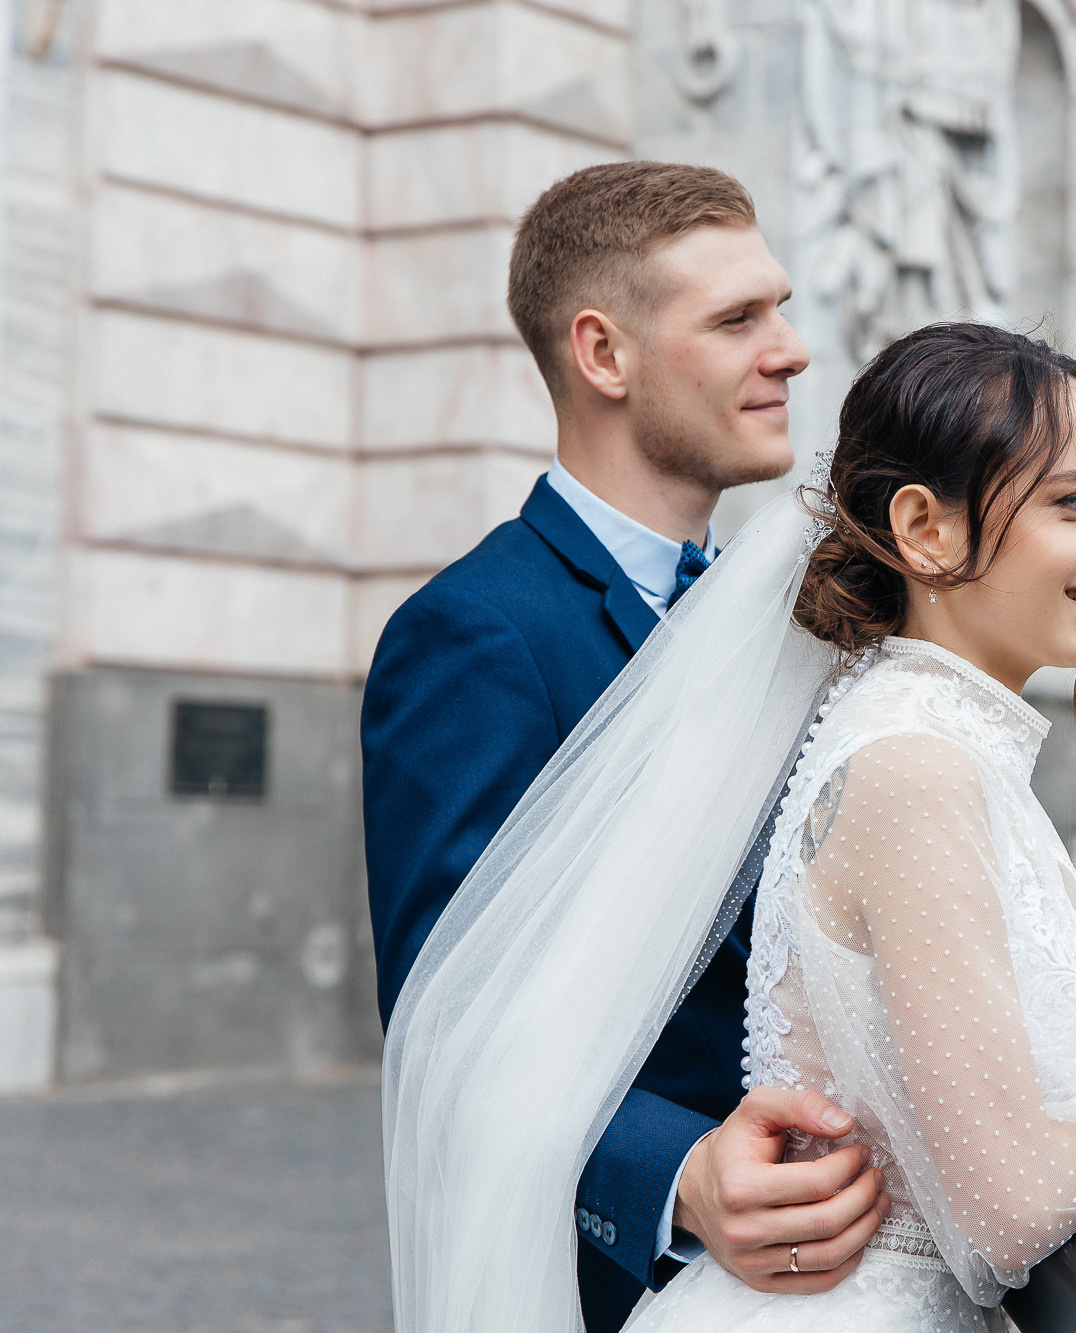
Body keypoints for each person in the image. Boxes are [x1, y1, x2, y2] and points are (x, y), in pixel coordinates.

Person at [380, 321, 1076, 1333]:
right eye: (1071, 502)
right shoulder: (915, 769)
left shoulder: (931, 746)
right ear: (926, 530)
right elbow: (1007, 1204)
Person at [362, 162, 888, 1333]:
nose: (793, 350)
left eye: (782, 309)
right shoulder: (473, 634)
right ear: (603, 355)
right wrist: (678, 1177)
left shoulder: (785, 620)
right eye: (738, 319)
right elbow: (450, 1023)